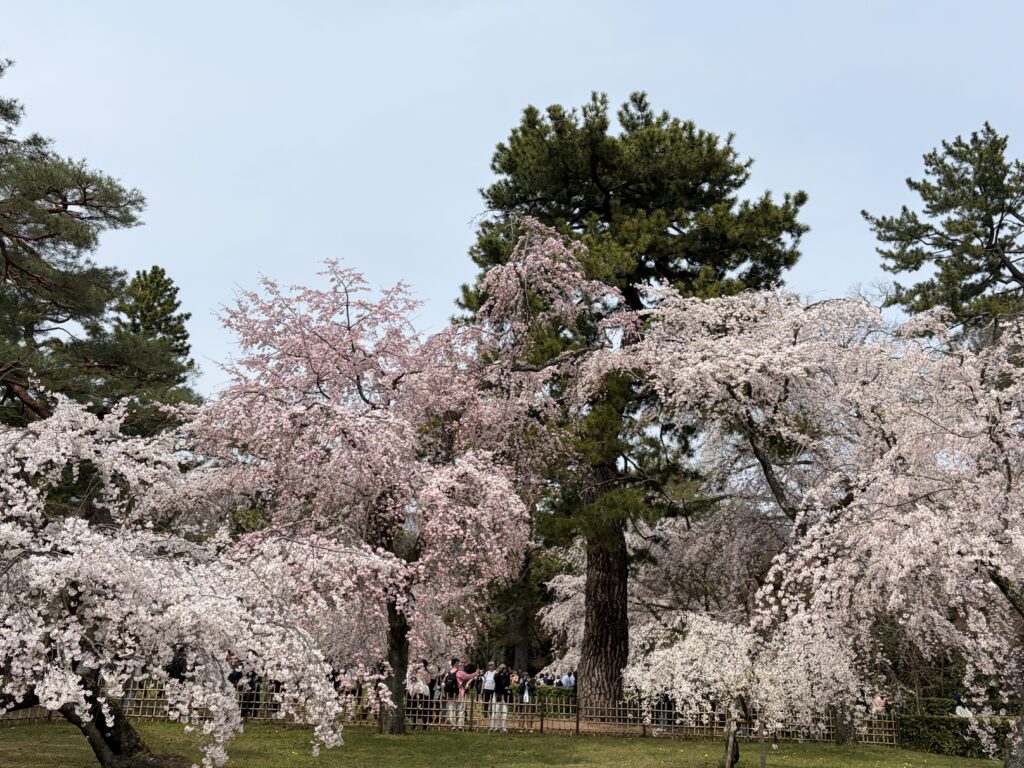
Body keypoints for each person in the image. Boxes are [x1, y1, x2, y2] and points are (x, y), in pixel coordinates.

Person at [490, 663, 512, 733]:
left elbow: (507, 684)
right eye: (502, 668)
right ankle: (495, 727)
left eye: (504, 668)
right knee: (496, 712)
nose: (503, 669)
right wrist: (500, 671)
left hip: (504, 696)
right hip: (497, 695)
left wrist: (507, 674)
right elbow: (496, 678)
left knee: (505, 712)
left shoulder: (506, 676)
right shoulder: (497, 675)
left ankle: (504, 728)